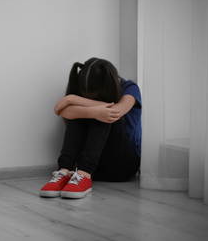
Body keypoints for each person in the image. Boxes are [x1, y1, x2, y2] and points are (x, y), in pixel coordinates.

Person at [40, 58, 142, 199]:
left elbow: (115, 112)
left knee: (106, 113)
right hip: (91, 167)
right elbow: (62, 111)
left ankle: (85, 175)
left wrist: (72, 100)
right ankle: (64, 171)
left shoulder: (130, 88)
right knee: (85, 113)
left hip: (122, 166)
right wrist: (92, 110)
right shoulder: (82, 87)